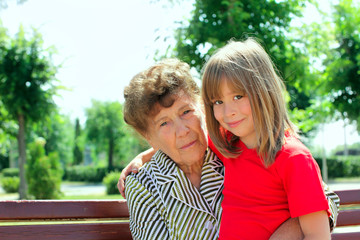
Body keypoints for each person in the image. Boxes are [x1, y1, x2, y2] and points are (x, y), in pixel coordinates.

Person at [119, 58, 339, 240]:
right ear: (148, 137)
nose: (183, 130)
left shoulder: (232, 146)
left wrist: (286, 233)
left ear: (203, 109)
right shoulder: (143, 185)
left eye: (186, 112)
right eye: (164, 123)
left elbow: (327, 199)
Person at [201, 38, 332, 239]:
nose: (228, 112)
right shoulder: (228, 145)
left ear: (264, 91)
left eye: (238, 96)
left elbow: (317, 235)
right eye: (218, 101)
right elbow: (186, 140)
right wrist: (144, 156)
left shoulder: (294, 159)